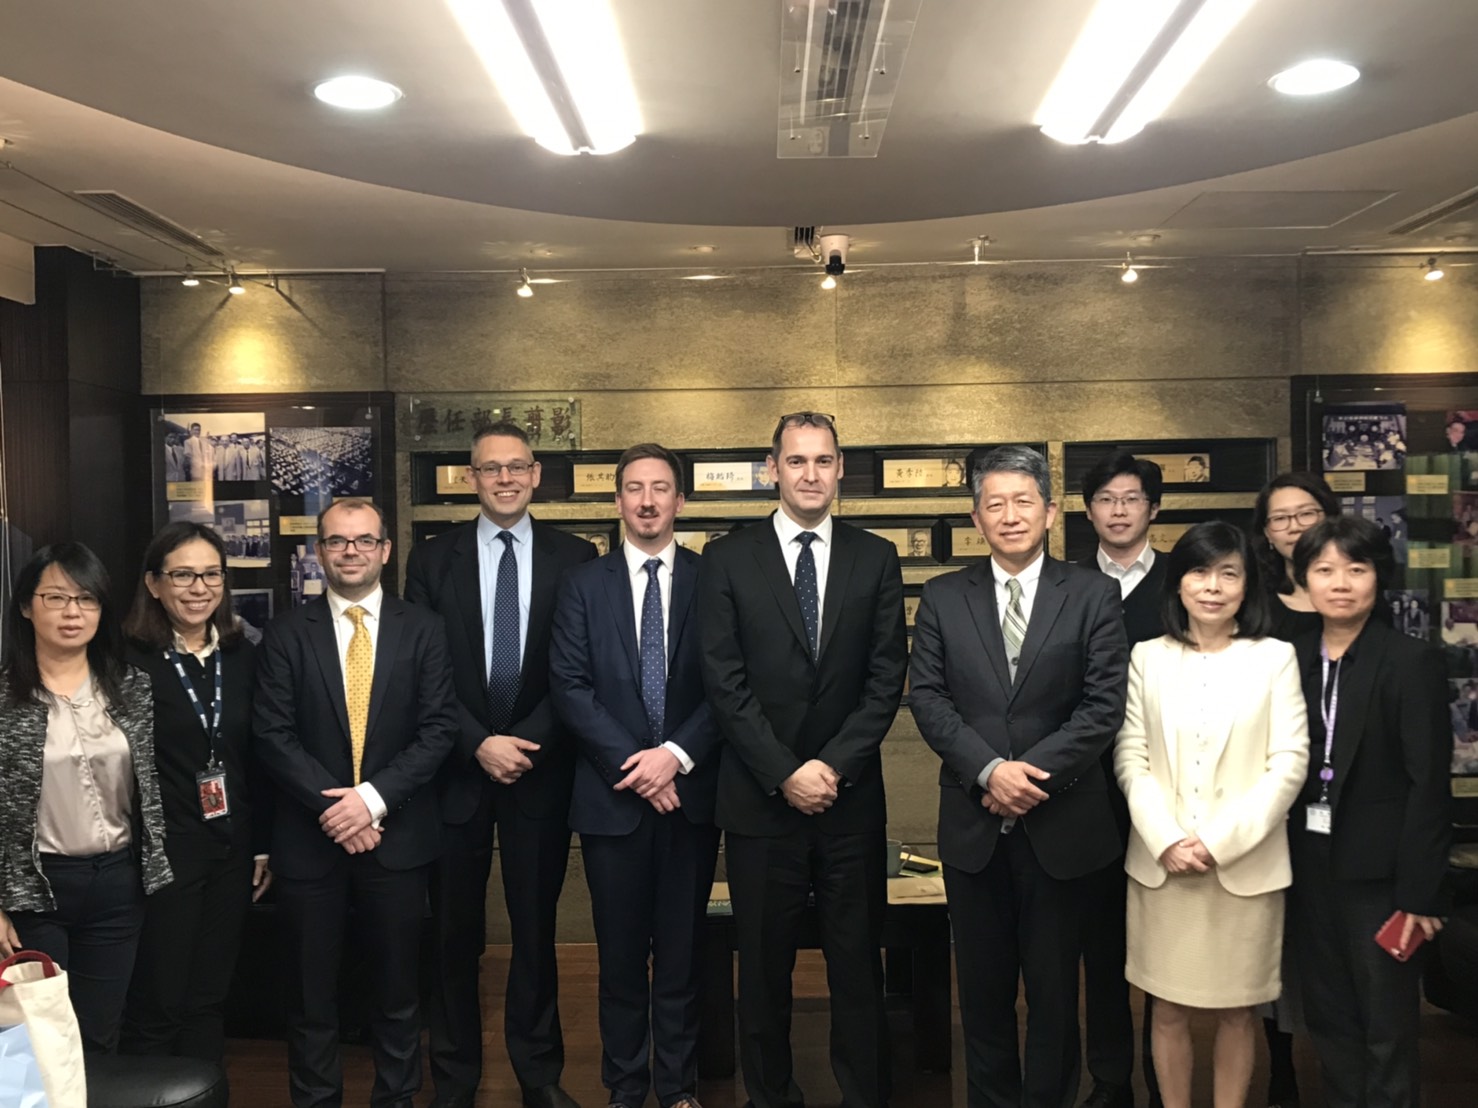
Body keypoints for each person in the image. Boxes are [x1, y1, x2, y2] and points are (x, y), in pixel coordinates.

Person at [909, 445, 1128, 1108]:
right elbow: (928, 698)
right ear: (977, 518)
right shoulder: (945, 596)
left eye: (1023, 501)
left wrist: (1029, 775)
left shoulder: (1092, 593)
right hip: (976, 830)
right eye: (995, 504)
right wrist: (988, 771)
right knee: (982, 994)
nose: (1010, 516)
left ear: (1051, 512)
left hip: (1061, 825)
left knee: (1057, 996)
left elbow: (1103, 706)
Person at [699, 411, 907, 1108]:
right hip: (761, 800)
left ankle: (862, 1096)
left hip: (849, 800)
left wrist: (832, 767)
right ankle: (770, 1096)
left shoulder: (876, 556)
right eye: (797, 461)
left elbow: (886, 679)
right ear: (772, 468)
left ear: (841, 468)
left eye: (823, 461)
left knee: (856, 966)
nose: (811, 474)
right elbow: (723, 682)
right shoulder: (728, 558)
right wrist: (785, 771)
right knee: (762, 969)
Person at [405, 421, 598, 1108]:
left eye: (517, 467)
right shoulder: (432, 561)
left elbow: (578, 668)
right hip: (456, 770)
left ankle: (539, 1076)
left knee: (536, 931)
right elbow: (423, 671)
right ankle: (453, 1078)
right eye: (491, 469)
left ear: (537, 474)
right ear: (471, 477)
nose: (505, 479)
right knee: (455, 933)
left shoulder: (576, 558)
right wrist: (475, 740)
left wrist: (526, 741)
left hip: (540, 769)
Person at [253, 498, 458, 1107]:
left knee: (397, 996)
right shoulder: (288, 632)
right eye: (338, 541)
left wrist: (370, 801)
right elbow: (272, 734)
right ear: (319, 551)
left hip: (396, 841)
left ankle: (395, 1100)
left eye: (364, 541)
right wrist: (340, 812)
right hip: (311, 846)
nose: (351, 552)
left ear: (385, 550)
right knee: (312, 999)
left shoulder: (424, 628)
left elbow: (439, 729)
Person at [1114, 522, 1309, 1108]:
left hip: (1244, 872)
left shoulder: (1275, 659)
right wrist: (1168, 839)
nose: (1213, 586)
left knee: (1237, 1011)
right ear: (1178, 585)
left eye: (1230, 573)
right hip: (1162, 867)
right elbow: (1132, 755)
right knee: (1166, 1009)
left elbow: (1289, 764)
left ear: (1248, 587)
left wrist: (1217, 843)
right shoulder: (1147, 657)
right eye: (1200, 572)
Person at [550, 443, 721, 1108]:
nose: (647, 501)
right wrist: (640, 767)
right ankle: (625, 1089)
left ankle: (677, 1090)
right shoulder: (582, 585)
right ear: (617, 500)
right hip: (611, 801)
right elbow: (569, 687)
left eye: (660, 488)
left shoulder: (715, 581)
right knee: (620, 960)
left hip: (691, 797)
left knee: (680, 957)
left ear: (681, 500)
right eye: (633, 489)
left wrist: (674, 758)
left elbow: (727, 689)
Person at [1287, 516, 1450, 1108]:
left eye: (1357, 569)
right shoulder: (1291, 659)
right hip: (1307, 864)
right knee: (1329, 1018)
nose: (1341, 583)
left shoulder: (1410, 661)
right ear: (1303, 579)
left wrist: (1421, 894)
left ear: (1379, 577)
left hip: (1381, 878)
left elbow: (1429, 785)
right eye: (1324, 570)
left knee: (1387, 1024)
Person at [0, 543, 173, 1052]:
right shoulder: (6, 699)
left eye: (87, 599)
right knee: (38, 1042)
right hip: (35, 892)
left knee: (99, 1034)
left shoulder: (130, 688)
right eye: (56, 598)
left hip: (117, 884)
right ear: (28, 607)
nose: (72, 613)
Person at [118, 522, 271, 1062]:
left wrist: (260, 844)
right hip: (164, 854)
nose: (199, 587)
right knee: (160, 1001)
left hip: (231, 850)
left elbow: (256, 757)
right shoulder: (126, 661)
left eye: (211, 574)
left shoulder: (242, 655)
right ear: (154, 584)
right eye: (183, 574)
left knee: (209, 998)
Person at [1077, 451, 1168, 1108]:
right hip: (1089, 793)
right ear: (1087, 511)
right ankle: (1111, 1083)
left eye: (1130, 498)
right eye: (1105, 499)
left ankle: (1169, 1082)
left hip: (1169, 792)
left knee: (1169, 949)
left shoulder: (1184, 584)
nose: (1117, 510)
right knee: (1101, 950)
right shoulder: (1067, 585)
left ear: (1153, 509)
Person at [1253, 472, 1340, 642]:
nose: (1294, 527)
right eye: (1280, 518)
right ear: (1267, 533)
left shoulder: (1357, 593)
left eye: (1306, 514)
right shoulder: (1254, 603)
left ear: (1331, 519)